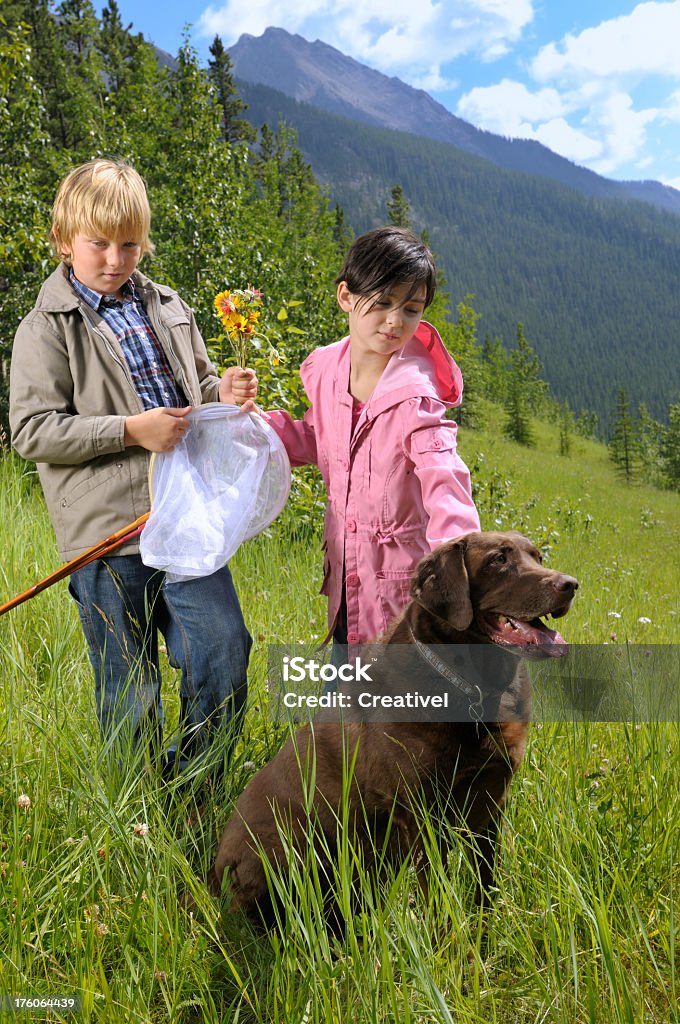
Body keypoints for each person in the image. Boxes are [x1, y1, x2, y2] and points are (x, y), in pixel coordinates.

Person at [9, 159, 257, 779]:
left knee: (223, 649)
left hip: (184, 518)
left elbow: (196, 391)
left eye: (129, 244)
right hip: (108, 532)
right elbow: (32, 432)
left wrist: (220, 394)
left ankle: (191, 787)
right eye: (98, 244)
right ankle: (137, 817)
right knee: (129, 684)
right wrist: (129, 430)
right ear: (65, 240)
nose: (115, 259)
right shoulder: (45, 328)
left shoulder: (169, 306)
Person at [265, 226, 480, 650]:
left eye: (411, 309)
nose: (395, 321)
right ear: (346, 296)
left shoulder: (415, 397)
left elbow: (445, 482)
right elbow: (320, 440)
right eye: (381, 303)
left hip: (401, 590)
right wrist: (257, 428)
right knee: (343, 698)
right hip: (348, 576)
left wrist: (462, 568)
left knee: (401, 704)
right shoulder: (327, 370)